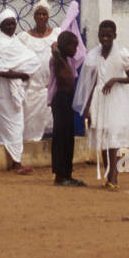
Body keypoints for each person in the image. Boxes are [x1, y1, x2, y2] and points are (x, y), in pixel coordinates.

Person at [75, 19, 129, 189]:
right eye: (102, 35)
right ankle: (109, 175)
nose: (105, 39)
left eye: (109, 35)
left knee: (113, 138)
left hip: (115, 99)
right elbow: (91, 83)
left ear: (115, 36)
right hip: (99, 100)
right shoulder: (93, 56)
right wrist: (87, 107)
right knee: (102, 136)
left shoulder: (122, 54)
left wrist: (114, 80)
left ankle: (114, 177)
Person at [0, 7, 41, 174]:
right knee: (15, 126)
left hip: (11, 91)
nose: (10, 27)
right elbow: (1, 69)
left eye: (12, 24)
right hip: (3, 92)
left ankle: (6, 160)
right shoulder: (0, 43)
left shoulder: (14, 40)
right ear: (0, 26)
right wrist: (21, 74)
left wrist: (19, 71)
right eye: (7, 24)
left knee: (6, 127)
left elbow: (30, 58)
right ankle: (17, 163)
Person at [49, 31, 85, 186]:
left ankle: (67, 174)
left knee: (68, 138)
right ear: (63, 45)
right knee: (61, 138)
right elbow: (56, 50)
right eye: (72, 45)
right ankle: (60, 175)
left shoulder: (68, 59)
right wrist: (56, 48)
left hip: (68, 100)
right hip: (61, 99)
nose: (75, 49)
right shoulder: (57, 59)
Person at [17, 0, 55, 143]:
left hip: (48, 87)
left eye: (44, 14)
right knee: (30, 123)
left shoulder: (55, 35)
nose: (41, 17)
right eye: (38, 14)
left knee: (49, 122)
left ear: (48, 16)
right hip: (30, 88)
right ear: (34, 16)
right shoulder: (24, 38)